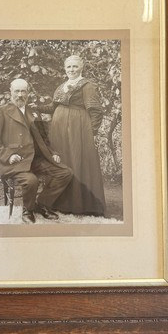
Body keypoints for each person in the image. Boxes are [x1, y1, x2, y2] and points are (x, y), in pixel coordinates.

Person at [0, 78, 73, 224]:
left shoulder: (33, 111)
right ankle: (28, 210)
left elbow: (44, 138)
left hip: (36, 159)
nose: (20, 95)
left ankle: (42, 205)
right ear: (10, 92)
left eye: (23, 91)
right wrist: (8, 155)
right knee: (31, 181)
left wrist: (53, 153)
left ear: (28, 93)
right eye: (17, 91)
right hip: (15, 161)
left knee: (65, 173)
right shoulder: (1, 111)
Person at [39, 55, 106, 216]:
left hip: (78, 130)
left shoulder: (88, 86)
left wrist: (93, 133)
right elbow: (53, 107)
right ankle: (59, 202)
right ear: (65, 68)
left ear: (81, 68)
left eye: (75, 67)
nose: (72, 70)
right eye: (69, 67)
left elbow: (95, 111)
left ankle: (81, 204)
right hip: (59, 130)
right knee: (62, 161)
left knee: (77, 161)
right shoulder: (62, 86)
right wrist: (37, 106)